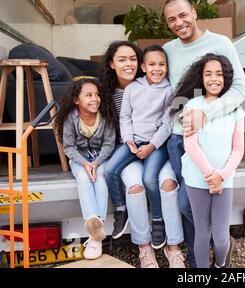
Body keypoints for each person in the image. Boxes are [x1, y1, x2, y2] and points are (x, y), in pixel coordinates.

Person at [163, 0, 245, 267]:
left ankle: (214, 245)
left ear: (194, 12)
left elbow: (240, 90)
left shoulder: (220, 43)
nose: (179, 23)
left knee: (207, 202)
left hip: (216, 136)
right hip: (181, 138)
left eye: (183, 15)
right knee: (187, 204)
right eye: (172, 19)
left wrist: (205, 113)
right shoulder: (168, 50)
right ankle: (202, 247)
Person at [102, 41, 185, 268]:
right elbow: (124, 117)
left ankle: (159, 222)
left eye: (162, 64)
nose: (157, 68)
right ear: (144, 66)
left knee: (151, 178)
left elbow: (168, 124)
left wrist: (151, 146)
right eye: (152, 64)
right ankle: (121, 210)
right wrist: (128, 139)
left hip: (155, 145)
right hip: (132, 142)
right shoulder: (130, 89)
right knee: (110, 170)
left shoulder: (169, 90)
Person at [176, 54, 245, 268]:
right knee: (202, 233)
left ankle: (220, 264)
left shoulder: (235, 109)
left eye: (219, 74)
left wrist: (221, 176)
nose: (214, 79)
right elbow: (191, 145)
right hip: (197, 179)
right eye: (208, 74)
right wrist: (210, 175)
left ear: (226, 78)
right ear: (201, 78)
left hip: (224, 180)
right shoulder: (192, 107)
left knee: (222, 237)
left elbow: (238, 149)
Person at [55, 78, 116, 260]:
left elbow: (109, 144)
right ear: (76, 100)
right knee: (83, 179)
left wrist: (96, 163)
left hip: (100, 159)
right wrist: (84, 163)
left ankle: (94, 234)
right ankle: (95, 227)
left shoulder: (105, 117)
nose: (95, 99)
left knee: (99, 179)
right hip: (80, 160)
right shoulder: (70, 119)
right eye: (88, 95)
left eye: (97, 94)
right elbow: (69, 147)